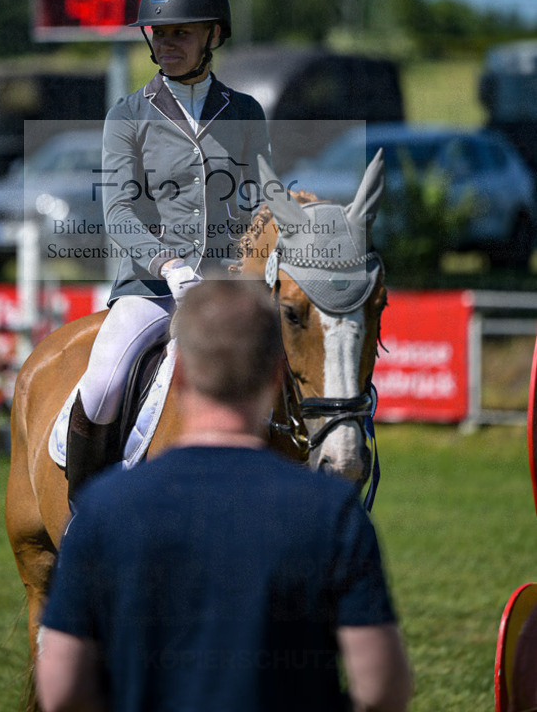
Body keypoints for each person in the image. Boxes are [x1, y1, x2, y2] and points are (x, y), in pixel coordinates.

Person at [37, 279, 413, 712]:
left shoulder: (103, 508)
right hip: (154, 287)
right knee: (104, 381)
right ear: (277, 374)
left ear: (178, 374)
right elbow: (383, 688)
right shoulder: (336, 511)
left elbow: (61, 690)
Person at [66, 0, 270, 502]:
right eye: (159, 33)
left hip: (227, 284)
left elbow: (259, 203)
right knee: (104, 383)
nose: (167, 43)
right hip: (152, 289)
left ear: (213, 35)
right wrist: (168, 265)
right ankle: (84, 511)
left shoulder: (245, 112)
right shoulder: (127, 115)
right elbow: (118, 211)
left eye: (182, 32)